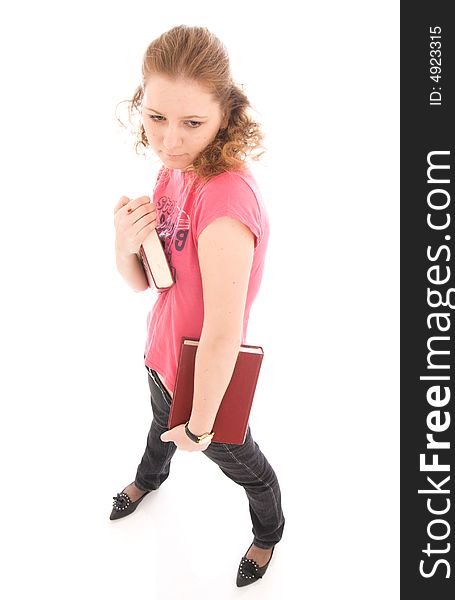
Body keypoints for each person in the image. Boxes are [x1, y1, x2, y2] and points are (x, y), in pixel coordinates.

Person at [111, 25, 285, 588]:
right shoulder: (173, 172)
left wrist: (202, 425)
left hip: (206, 382)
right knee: (154, 434)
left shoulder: (226, 198)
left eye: (192, 123)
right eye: (156, 117)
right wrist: (123, 243)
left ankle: (268, 536)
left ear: (226, 115)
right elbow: (146, 283)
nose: (169, 139)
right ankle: (148, 480)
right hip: (162, 359)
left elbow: (222, 330)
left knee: (250, 471)